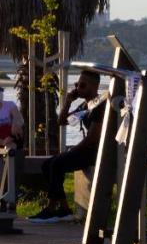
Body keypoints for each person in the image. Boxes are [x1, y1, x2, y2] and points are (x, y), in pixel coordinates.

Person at [28, 70, 104, 224]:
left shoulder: (100, 105)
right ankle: (63, 208)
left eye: (82, 85)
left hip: (96, 152)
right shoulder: (85, 105)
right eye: (77, 84)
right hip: (86, 150)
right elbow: (62, 121)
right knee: (46, 165)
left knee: (57, 164)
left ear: (94, 86)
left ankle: (52, 208)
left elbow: (92, 138)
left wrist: (73, 150)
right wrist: (69, 100)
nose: (78, 88)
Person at [0, 82, 25, 214]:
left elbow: (19, 120)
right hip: (3, 143)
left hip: (11, 143)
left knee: (14, 156)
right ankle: (4, 201)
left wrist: (15, 124)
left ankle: (10, 200)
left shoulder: (10, 105)